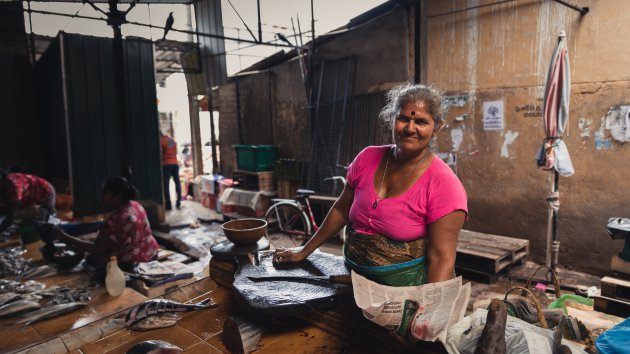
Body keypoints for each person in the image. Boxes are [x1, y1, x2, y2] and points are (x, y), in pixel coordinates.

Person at [273, 83, 468, 287]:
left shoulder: (444, 184)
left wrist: (428, 308)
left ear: (436, 127)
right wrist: (304, 251)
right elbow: (341, 209)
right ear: (391, 119)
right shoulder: (367, 158)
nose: (410, 128)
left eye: (421, 121)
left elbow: (441, 257)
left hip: (405, 287)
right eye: (403, 118)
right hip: (352, 275)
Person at [58, 177, 159, 274]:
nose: (101, 196)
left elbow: (97, 249)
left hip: (133, 263)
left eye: (105, 193)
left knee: (91, 259)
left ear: (118, 196)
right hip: (150, 252)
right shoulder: (135, 205)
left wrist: (65, 237)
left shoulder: (116, 219)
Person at [0, 169, 56, 236]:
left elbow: (10, 216)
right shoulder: (4, 188)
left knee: (44, 226)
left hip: (44, 192)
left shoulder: (13, 186)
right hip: (26, 198)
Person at [160, 132, 181, 210]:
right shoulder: (171, 140)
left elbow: (160, 153)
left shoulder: (161, 140)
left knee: (166, 185)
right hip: (175, 163)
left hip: (166, 164)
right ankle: (178, 202)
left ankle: (168, 205)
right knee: (177, 183)